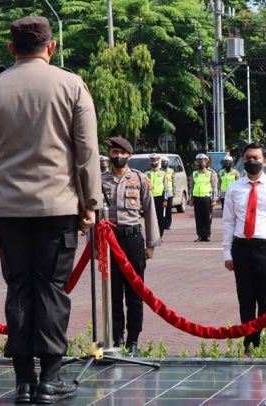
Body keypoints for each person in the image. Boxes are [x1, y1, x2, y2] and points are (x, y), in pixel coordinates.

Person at [0, 16, 100, 404]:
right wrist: (90, 204)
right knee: (52, 290)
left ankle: (22, 381)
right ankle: (50, 378)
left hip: (8, 210)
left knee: (18, 289)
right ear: (51, 47)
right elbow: (87, 153)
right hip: (58, 207)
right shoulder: (72, 86)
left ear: (11, 49)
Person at [222, 143, 266, 352]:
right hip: (242, 247)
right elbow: (228, 222)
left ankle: (264, 342)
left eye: (256, 157)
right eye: (247, 157)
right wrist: (227, 252)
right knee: (245, 299)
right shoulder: (234, 188)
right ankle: (248, 343)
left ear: (265, 161)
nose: (252, 161)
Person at [102, 137, 160, 356]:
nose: (116, 156)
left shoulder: (139, 179)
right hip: (109, 240)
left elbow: (150, 211)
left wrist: (151, 244)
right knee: (113, 293)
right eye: (113, 152)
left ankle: (133, 339)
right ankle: (116, 337)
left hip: (133, 239)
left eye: (121, 152)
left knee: (135, 293)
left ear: (129, 155)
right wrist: (96, 248)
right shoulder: (100, 181)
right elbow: (97, 216)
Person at [188, 154, 218, 242]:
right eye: (200, 161)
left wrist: (214, 199)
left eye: (203, 161)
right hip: (197, 198)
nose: (201, 162)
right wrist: (190, 199)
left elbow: (214, 187)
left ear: (207, 162)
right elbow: (191, 187)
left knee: (207, 217)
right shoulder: (194, 173)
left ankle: (207, 235)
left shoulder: (211, 173)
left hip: (207, 198)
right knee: (198, 218)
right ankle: (200, 235)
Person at [146, 153, 169, 237]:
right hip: (150, 198)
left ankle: (160, 235)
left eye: (155, 160)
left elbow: (166, 187)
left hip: (160, 198)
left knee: (160, 218)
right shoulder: (146, 173)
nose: (153, 162)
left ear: (158, 161)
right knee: (150, 218)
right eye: (152, 160)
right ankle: (152, 235)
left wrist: (165, 199)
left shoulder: (163, 173)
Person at [161, 158, 174, 230]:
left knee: (168, 209)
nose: (164, 164)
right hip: (161, 191)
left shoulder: (171, 171)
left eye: (166, 162)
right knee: (161, 209)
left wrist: (174, 191)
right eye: (163, 162)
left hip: (170, 192)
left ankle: (168, 224)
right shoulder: (160, 170)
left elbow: (173, 181)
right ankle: (162, 223)